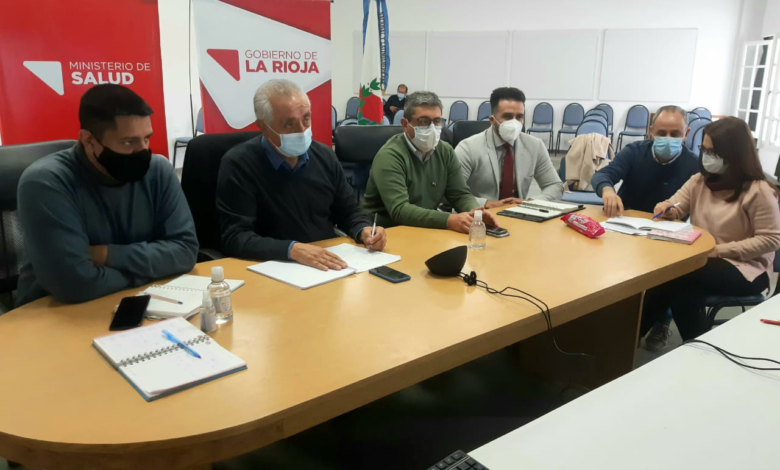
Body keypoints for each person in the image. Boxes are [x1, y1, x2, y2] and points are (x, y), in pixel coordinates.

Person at [16, 84, 198, 306]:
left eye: (146, 138)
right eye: (128, 142)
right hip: (53, 311)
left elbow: (185, 252)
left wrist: (105, 255)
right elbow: (73, 284)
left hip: (137, 304)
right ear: (88, 140)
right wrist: (150, 271)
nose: (142, 150)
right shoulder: (47, 182)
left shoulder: (158, 170)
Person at [217, 79, 387, 271]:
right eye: (289, 124)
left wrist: (364, 230)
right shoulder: (239, 164)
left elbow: (349, 211)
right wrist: (292, 250)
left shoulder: (325, 156)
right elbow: (236, 237)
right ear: (263, 127)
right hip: (272, 267)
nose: (301, 130)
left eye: (306, 119)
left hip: (326, 263)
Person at [642, 117, 780, 347]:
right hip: (705, 258)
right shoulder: (700, 181)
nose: (706, 156)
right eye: (704, 149)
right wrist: (667, 208)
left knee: (681, 279)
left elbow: (771, 239)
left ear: (734, 154)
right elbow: (676, 204)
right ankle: (630, 339)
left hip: (746, 267)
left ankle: (696, 347)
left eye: (713, 152)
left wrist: (719, 250)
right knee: (670, 277)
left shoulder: (759, 191)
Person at [362, 91, 499, 233]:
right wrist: (449, 220)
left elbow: (459, 194)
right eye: (423, 121)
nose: (432, 128)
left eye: (437, 121)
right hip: (385, 233)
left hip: (425, 228)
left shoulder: (445, 151)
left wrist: (476, 213)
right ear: (405, 124)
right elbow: (400, 210)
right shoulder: (390, 156)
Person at [456, 87, 564, 207]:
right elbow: (453, 192)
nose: (514, 123)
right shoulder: (468, 148)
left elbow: (555, 185)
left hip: (520, 212)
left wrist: (530, 202)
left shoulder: (535, 146)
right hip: (480, 213)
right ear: (492, 120)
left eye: (519, 117)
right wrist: (487, 204)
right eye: (507, 116)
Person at [591, 105, 700, 217]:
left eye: (675, 134)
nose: (668, 139)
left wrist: (673, 212)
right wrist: (607, 190)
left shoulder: (694, 165)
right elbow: (603, 175)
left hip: (667, 223)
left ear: (686, 133)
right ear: (651, 132)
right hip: (627, 218)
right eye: (662, 133)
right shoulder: (634, 151)